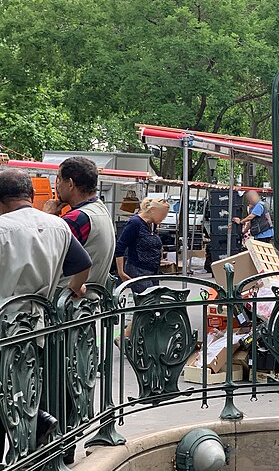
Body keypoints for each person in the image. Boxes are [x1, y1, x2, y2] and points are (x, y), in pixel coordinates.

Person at [0, 168, 93, 451]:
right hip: (36, 323)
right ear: (31, 195)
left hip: (4, 324)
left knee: (7, 387)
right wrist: (74, 289)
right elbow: (83, 264)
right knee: (24, 384)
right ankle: (35, 432)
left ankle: (34, 429)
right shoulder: (58, 226)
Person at [44, 156, 116, 287]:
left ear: (70, 184)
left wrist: (47, 218)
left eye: (59, 179)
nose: (57, 186)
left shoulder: (77, 219)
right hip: (91, 295)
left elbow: (40, 254)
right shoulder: (100, 209)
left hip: (66, 296)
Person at [115, 198, 170, 293]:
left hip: (153, 270)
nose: (164, 218)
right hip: (139, 269)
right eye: (162, 215)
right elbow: (120, 246)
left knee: (155, 298)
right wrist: (121, 272)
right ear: (153, 210)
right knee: (147, 299)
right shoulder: (135, 223)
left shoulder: (152, 224)